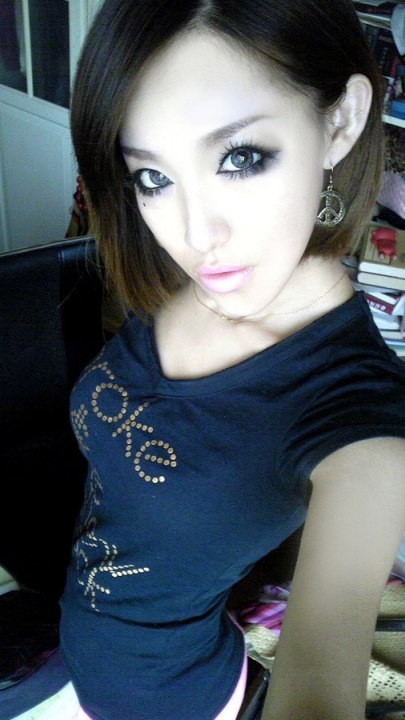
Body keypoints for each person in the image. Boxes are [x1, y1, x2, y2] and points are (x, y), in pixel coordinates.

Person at [57, 0, 405, 718]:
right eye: (153, 178)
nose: (193, 232)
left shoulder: (363, 430)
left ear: (339, 122)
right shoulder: (195, 280)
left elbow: (317, 696)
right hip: (78, 659)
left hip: (179, 699)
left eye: (240, 159)